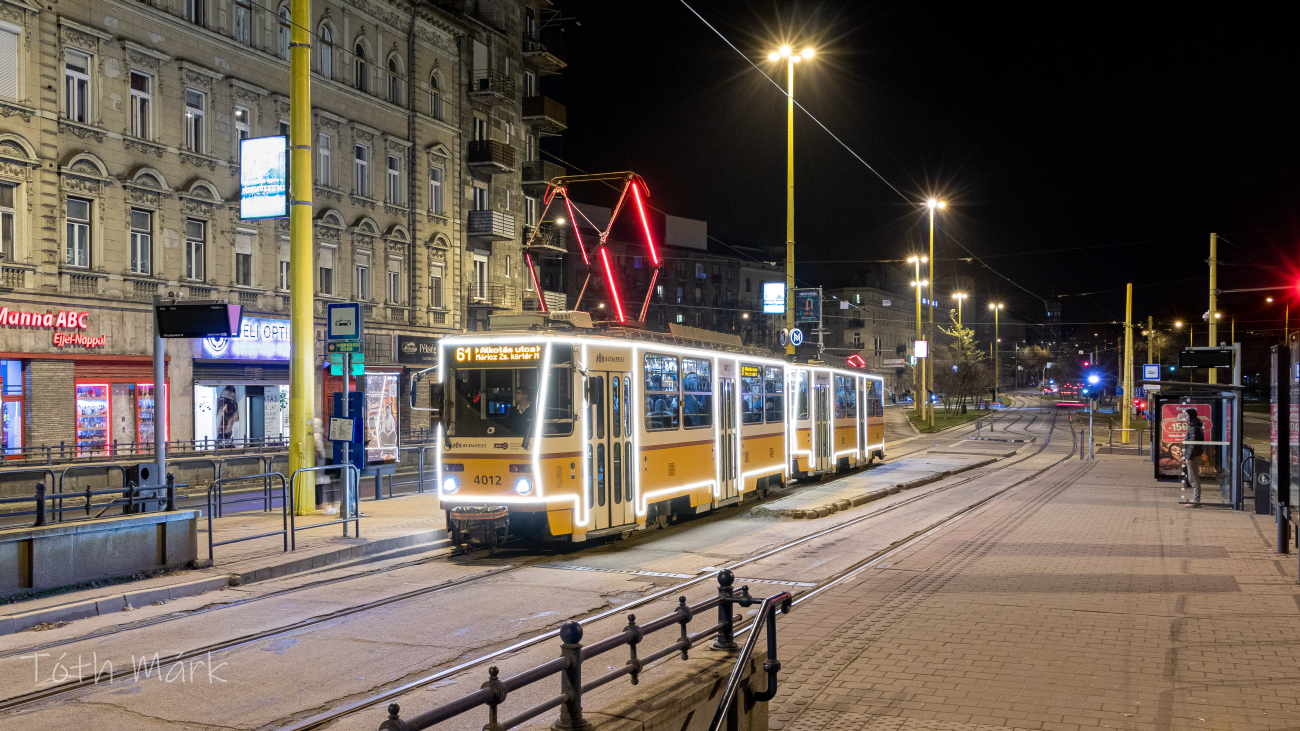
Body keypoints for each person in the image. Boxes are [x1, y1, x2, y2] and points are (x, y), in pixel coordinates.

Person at [1183, 408, 1204, 507]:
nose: (1185, 417)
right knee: (1193, 477)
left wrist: (1189, 458)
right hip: (1193, 455)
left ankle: (1196, 500)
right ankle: (1196, 499)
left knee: (1193, 478)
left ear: (1191, 416)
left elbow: (1193, 445)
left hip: (1193, 456)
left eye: (1186, 415)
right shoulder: (1193, 426)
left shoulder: (1194, 427)